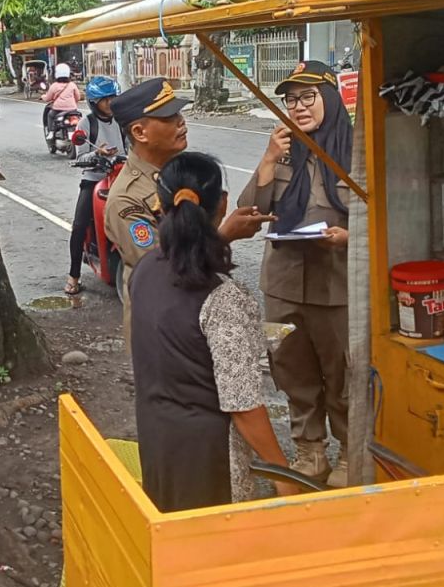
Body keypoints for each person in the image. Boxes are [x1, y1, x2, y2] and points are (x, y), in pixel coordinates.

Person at [130, 151, 294, 512]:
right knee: (215, 547)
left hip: (157, 436)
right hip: (208, 458)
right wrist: (284, 476)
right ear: (221, 203)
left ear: (160, 204)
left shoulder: (145, 270)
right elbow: (244, 406)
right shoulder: (223, 299)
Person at [238, 61, 352, 487]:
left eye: (308, 97)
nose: (299, 107)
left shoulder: (355, 151)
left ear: (331, 97)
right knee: (290, 368)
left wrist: (349, 237)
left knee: (342, 371)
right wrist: (268, 159)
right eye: (291, 100)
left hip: (336, 284)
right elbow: (250, 212)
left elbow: (381, 216)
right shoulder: (283, 151)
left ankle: (346, 453)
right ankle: (310, 452)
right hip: (283, 285)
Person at [104, 78, 269, 344]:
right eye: (169, 117)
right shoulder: (126, 200)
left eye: (178, 113)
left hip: (191, 313)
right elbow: (163, 266)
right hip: (160, 328)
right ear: (139, 132)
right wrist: (224, 235)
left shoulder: (176, 172)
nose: (181, 121)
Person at [65, 76, 123, 296]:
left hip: (122, 177)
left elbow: (133, 146)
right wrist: (96, 154)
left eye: (112, 98)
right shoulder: (86, 123)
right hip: (94, 180)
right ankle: (73, 275)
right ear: (94, 102)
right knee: (79, 226)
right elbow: (79, 156)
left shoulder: (122, 121)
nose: (110, 103)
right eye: (104, 99)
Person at [41, 62, 82, 133]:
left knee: (50, 115)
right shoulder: (72, 85)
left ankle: (51, 132)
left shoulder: (54, 86)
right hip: (72, 110)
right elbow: (78, 98)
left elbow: (48, 98)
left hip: (57, 110)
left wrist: (43, 96)